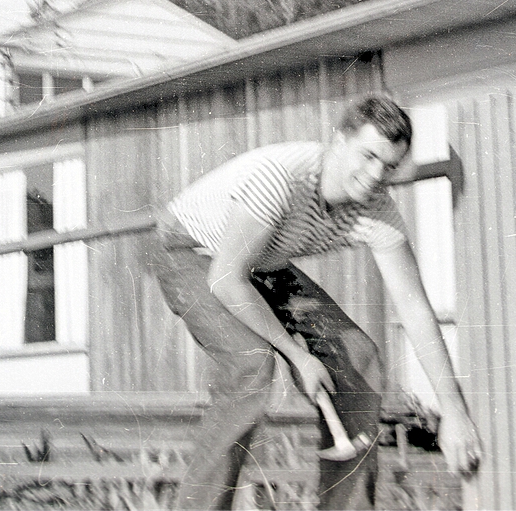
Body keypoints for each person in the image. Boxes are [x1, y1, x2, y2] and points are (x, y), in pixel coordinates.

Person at [150, 94, 482, 510]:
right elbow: (225, 279)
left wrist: (452, 410)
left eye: (389, 166)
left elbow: (414, 309)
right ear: (338, 139)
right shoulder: (281, 179)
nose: (375, 175)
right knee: (251, 364)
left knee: (359, 359)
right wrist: (296, 355)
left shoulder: (377, 210)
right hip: (189, 250)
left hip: (259, 260)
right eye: (367, 156)